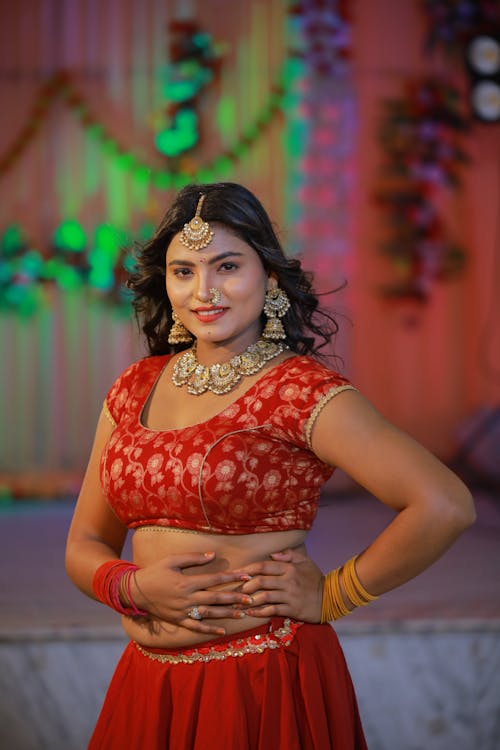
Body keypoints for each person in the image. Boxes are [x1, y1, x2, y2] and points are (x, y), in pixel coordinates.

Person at [65, 182, 475, 750]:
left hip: (261, 682)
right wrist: (132, 586)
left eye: (226, 266)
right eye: (183, 271)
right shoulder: (133, 388)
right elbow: (84, 543)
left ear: (271, 278)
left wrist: (336, 594)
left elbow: (444, 504)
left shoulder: (299, 391)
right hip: (147, 683)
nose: (203, 291)